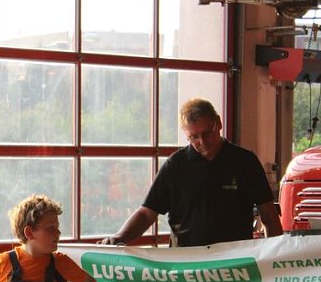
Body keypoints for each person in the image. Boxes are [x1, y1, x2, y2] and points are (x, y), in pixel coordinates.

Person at [102, 97, 283, 247]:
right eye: (194, 137)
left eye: (207, 133)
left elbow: (269, 216)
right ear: (185, 134)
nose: (202, 142)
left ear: (218, 123)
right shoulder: (175, 166)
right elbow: (147, 213)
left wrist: (275, 255)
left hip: (236, 261)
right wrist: (120, 237)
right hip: (186, 262)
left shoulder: (245, 162)